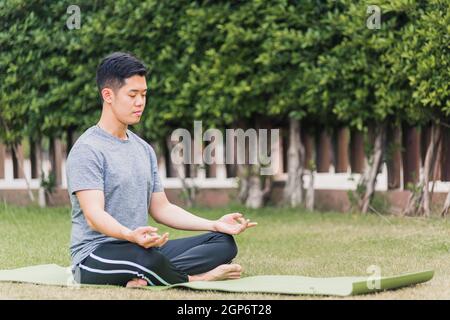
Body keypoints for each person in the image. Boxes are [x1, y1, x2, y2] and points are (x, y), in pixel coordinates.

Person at [66, 52, 257, 288]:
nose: (140, 102)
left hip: (140, 247)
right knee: (146, 258)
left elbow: (161, 208)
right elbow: (94, 216)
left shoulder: (143, 149)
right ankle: (195, 278)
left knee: (223, 243)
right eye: (132, 95)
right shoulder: (88, 149)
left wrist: (214, 224)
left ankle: (150, 275)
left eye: (144, 95)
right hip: (96, 255)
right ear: (108, 95)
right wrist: (129, 235)